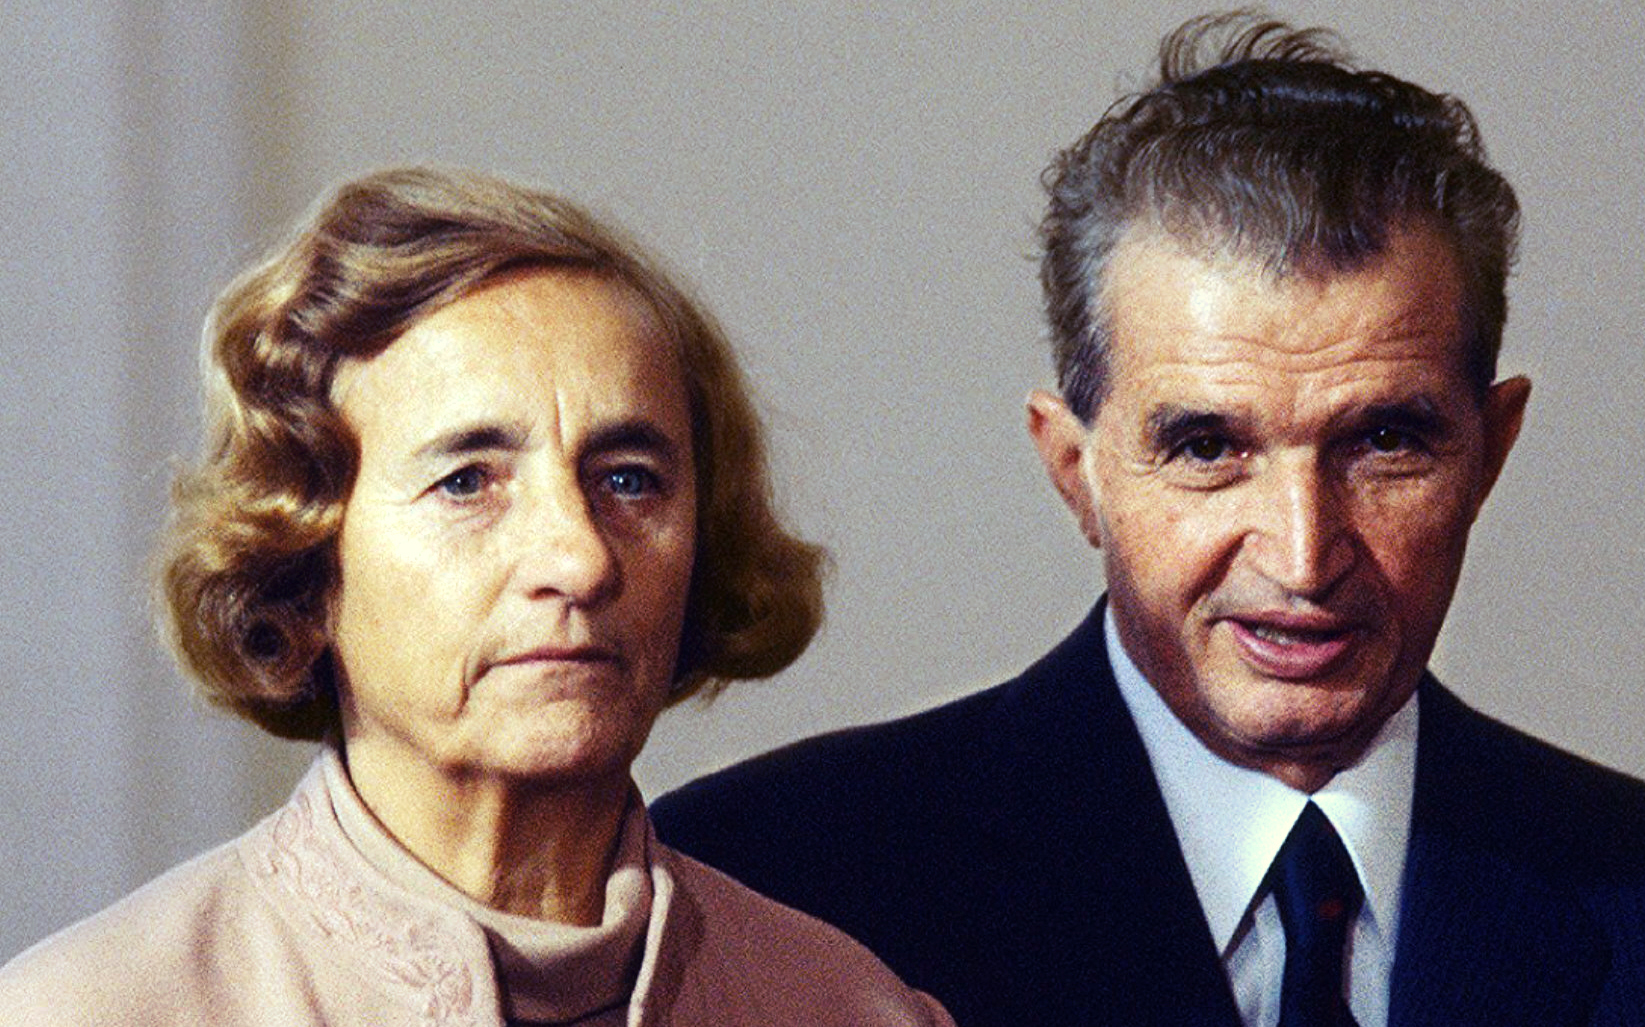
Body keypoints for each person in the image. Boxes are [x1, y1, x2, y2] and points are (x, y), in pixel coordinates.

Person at [649, 13, 1645, 1027]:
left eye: (1383, 441)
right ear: (1074, 469)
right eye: (1207, 448)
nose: (1302, 556)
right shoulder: (766, 881)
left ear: (1490, 450)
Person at [0, 167, 953, 1027]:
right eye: (467, 482)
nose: (580, 558)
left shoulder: (849, 1006)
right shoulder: (91, 1011)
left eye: (628, 479)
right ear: (302, 567)